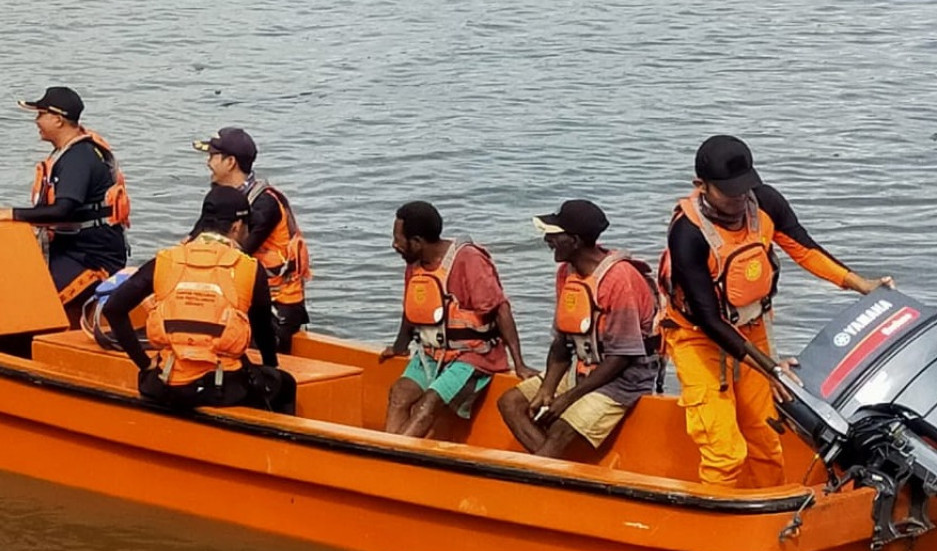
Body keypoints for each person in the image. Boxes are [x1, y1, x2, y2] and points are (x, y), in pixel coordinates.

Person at [661, 135, 893, 488]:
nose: (740, 199)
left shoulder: (765, 202)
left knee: (766, 440)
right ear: (701, 186)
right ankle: (716, 515)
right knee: (725, 452)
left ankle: (771, 510)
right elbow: (709, 319)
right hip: (698, 340)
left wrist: (861, 284)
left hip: (751, 330)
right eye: (729, 191)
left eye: (745, 188)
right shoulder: (687, 234)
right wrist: (770, 368)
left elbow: (805, 249)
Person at [101, 186, 295, 413]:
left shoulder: (167, 260)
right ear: (236, 227)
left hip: (164, 384)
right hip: (221, 389)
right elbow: (263, 332)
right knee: (285, 384)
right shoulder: (248, 268)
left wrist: (143, 363)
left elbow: (113, 308)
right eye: (247, 227)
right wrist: (271, 367)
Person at [496, 200, 660, 457]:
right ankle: (552, 464)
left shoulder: (620, 279)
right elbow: (561, 344)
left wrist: (568, 398)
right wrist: (547, 390)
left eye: (553, 235)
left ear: (574, 241)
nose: (547, 240)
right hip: (582, 371)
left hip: (623, 381)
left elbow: (621, 357)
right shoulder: (566, 273)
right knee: (511, 403)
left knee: (560, 429)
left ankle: (546, 464)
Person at [379, 201, 538, 438]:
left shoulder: (468, 260)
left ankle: (393, 456)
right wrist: (399, 346)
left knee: (427, 405)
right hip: (432, 354)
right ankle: (389, 450)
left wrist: (519, 363)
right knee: (399, 394)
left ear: (418, 242)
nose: (395, 245)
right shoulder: (414, 265)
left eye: (398, 239)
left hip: (472, 357)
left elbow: (501, 310)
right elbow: (412, 310)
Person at [0, 87, 129, 324]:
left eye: (41, 114)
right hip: (71, 248)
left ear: (58, 120)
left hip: (92, 256)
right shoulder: (69, 152)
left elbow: (63, 210)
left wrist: (10, 213)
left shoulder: (78, 158)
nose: (36, 121)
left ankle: (54, 332)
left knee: (33, 294)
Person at [192, 127, 311, 353]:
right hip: (240, 300)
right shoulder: (220, 200)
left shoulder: (265, 204)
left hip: (277, 306)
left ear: (230, 162)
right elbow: (192, 242)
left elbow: (236, 256)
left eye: (212, 156)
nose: (208, 163)